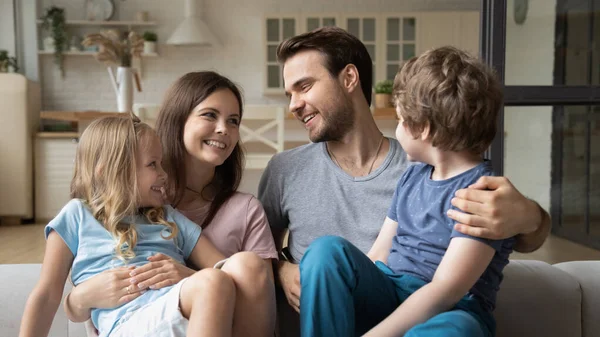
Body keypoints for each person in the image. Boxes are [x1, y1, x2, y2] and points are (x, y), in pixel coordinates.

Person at [257, 26, 550, 336]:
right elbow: (255, 249)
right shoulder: (285, 169)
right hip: (375, 297)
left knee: (458, 327)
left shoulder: (456, 183)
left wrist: (530, 215)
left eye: (304, 86)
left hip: (436, 314)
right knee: (325, 249)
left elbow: (453, 284)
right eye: (290, 94)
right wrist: (281, 271)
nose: (292, 105)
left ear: (349, 78)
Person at [301, 45, 513, 337]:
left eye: (400, 120)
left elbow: (444, 291)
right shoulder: (412, 176)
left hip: (450, 310)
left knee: (459, 329)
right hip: (391, 292)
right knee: (327, 250)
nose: (396, 129)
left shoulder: (483, 195)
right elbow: (379, 253)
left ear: (423, 128)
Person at [63, 72, 277, 336]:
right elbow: (89, 269)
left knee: (248, 265)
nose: (224, 128)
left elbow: (259, 296)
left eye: (233, 121)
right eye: (210, 115)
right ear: (178, 120)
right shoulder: (140, 197)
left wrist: (188, 275)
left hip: (216, 316)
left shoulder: (246, 210)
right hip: (135, 323)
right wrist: (77, 299)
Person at [19, 115, 273, 337]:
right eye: (153, 164)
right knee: (211, 282)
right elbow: (46, 296)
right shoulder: (77, 215)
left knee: (238, 268)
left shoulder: (168, 217)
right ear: (111, 172)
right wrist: (77, 301)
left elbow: (227, 274)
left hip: (182, 316)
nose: (163, 174)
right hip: (128, 323)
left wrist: (188, 276)